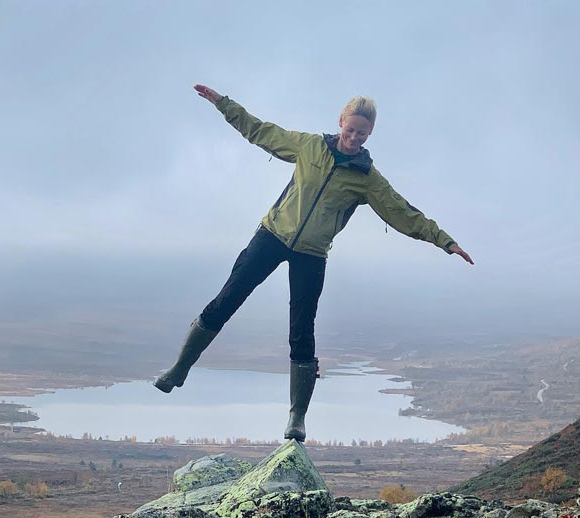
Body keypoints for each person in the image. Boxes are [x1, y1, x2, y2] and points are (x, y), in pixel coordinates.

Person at [154, 84, 473, 443]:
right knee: (226, 299)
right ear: (340, 123)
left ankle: (296, 417)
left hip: (312, 254)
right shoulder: (309, 146)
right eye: (349, 130)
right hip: (272, 236)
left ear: (370, 135)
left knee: (302, 331)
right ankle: (179, 369)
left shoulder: (367, 179)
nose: (353, 138)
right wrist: (224, 105)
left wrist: (445, 241)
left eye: (361, 133)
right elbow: (262, 131)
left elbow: (403, 212)